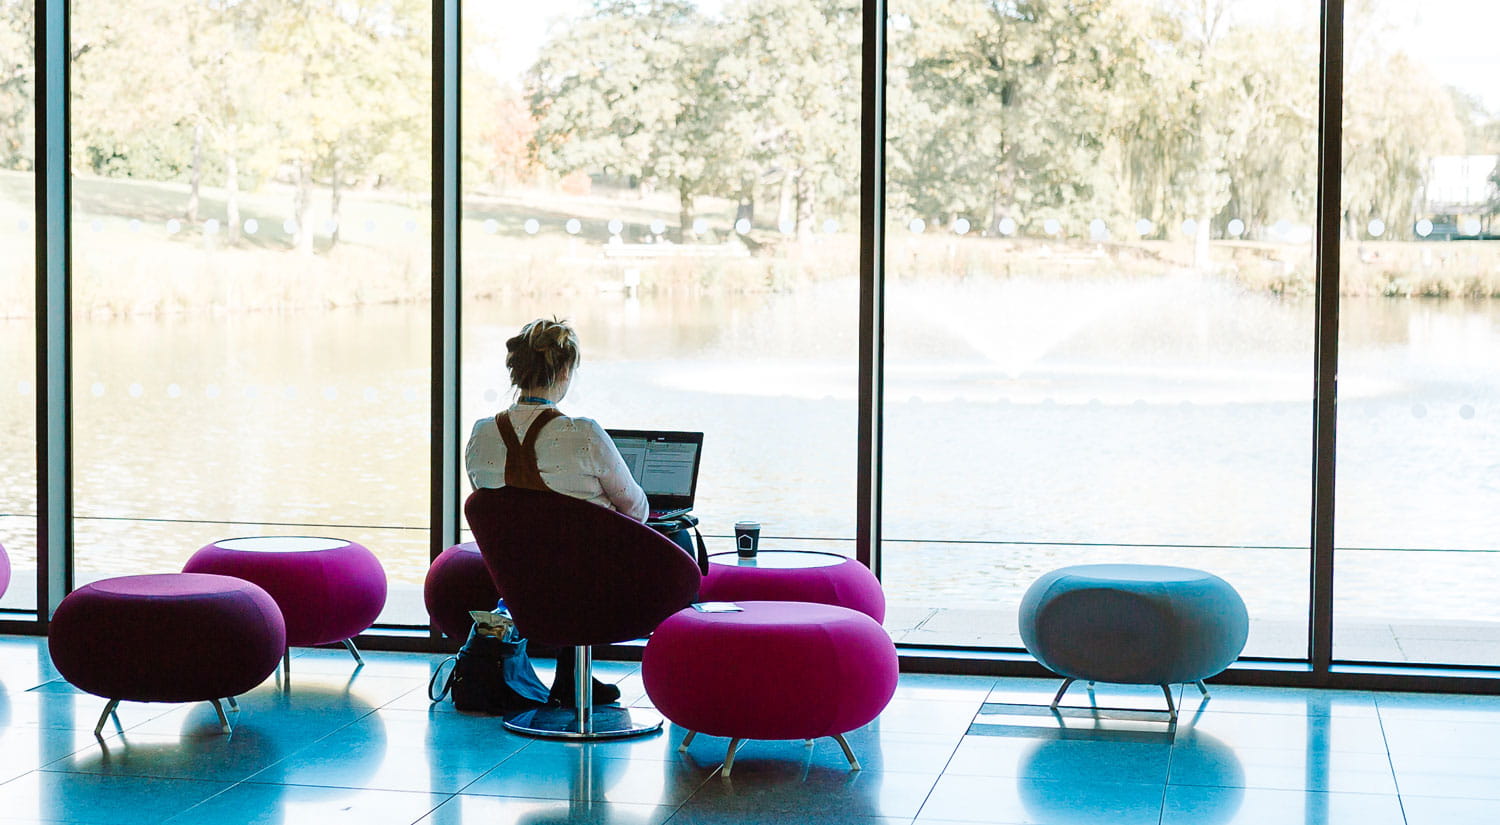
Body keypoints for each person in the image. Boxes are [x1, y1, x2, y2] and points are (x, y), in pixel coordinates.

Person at [464, 317, 647, 707]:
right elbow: (637, 509)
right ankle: (688, 665)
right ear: (565, 370)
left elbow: (501, 509)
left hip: (515, 580)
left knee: (556, 546)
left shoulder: (481, 433)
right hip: (587, 583)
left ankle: (572, 674)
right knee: (668, 538)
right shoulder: (583, 433)